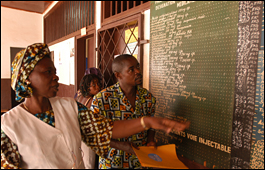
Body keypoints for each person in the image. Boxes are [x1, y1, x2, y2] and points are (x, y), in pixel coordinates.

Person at [1, 43, 190, 169]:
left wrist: (147, 121)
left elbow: (107, 128)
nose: (55, 76)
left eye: (55, 71)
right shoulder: (8, 126)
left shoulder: (69, 107)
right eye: (48, 71)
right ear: (26, 79)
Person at [90, 54, 156, 169]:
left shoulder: (148, 97)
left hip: (141, 162)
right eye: (131, 69)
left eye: (138, 67)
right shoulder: (102, 99)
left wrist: (150, 141)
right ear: (118, 75)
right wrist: (122, 146)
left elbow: (151, 126)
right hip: (112, 163)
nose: (137, 72)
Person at [75, 73, 102, 169]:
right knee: (89, 163)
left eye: (98, 84)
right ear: (87, 87)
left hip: (78, 134)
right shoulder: (93, 100)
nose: (97, 87)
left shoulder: (79, 97)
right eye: (93, 85)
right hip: (88, 136)